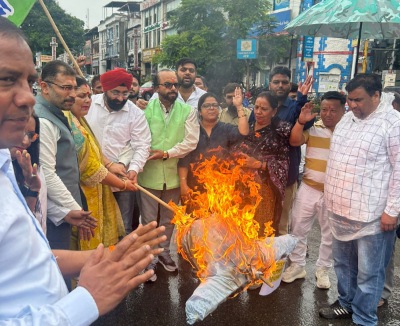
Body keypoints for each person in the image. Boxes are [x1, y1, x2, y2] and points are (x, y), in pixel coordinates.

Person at [0, 16, 166, 324]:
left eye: (27, 81)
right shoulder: (48, 120)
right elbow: (62, 169)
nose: (26, 98)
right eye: (7, 80)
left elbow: (27, 260)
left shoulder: (7, 167)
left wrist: (102, 259)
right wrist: (88, 300)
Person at [319, 74, 400, 325]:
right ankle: (345, 303)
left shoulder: (393, 123)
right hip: (340, 210)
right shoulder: (347, 121)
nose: (353, 105)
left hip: (372, 215)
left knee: (369, 272)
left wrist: (393, 210)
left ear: (376, 96)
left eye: (358, 100)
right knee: (343, 265)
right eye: (350, 100)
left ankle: (364, 317)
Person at [65, 76, 140, 250]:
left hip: (96, 190)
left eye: (89, 96)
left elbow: (94, 151)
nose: (87, 101)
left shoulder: (78, 119)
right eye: (81, 96)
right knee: (82, 243)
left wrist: (110, 165)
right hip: (80, 195)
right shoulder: (71, 124)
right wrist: (123, 185)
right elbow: (91, 170)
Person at [139, 69, 200, 280]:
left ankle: (164, 253)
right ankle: (149, 259)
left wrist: (167, 153)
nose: (172, 88)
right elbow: (138, 140)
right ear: (156, 88)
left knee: (169, 219)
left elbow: (191, 142)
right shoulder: (144, 111)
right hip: (148, 175)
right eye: (167, 85)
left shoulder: (187, 111)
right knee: (148, 221)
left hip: (175, 175)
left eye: (174, 84)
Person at [282, 91, 346, 289]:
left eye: (333, 110)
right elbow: (294, 141)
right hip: (309, 187)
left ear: (344, 110)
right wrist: (301, 122)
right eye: (324, 109)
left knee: (329, 234)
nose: (327, 114)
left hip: (335, 192)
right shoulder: (315, 128)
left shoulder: (349, 132)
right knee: (298, 228)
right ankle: (298, 265)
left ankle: (323, 270)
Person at [35, 60, 97, 251]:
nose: (72, 95)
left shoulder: (57, 112)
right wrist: (74, 209)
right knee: (58, 261)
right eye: (65, 88)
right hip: (53, 211)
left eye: (73, 88)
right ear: (44, 86)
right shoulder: (43, 120)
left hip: (63, 210)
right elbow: (47, 174)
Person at [249, 67, 314, 236]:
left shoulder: (295, 107)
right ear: (269, 84)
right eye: (276, 82)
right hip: (256, 179)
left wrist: (301, 100)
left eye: (284, 82)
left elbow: (301, 127)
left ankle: (276, 263)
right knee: (253, 224)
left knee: (279, 225)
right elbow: (248, 136)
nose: (280, 86)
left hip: (284, 179)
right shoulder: (258, 108)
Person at [86, 68, 151, 235]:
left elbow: (142, 144)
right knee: (92, 224)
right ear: (105, 88)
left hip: (122, 178)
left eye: (125, 93)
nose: (121, 98)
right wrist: (107, 164)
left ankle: (123, 259)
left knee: (123, 226)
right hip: (90, 174)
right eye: (116, 92)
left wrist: (133, 169)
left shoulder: (135, 113)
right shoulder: (88, 105)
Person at [178, 90, 249, 209]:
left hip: (222, 189)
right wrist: (183, 184)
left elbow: (244, 132)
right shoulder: (192, 130)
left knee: (219, 225)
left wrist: (239, 106)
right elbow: (184, 160)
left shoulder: (225, 129)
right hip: (195, 188)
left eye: (215, 105)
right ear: (199, 111)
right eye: (206, 106)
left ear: (219, 109)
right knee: (197, 225)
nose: (211, 108)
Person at [234, 91, 292, 236]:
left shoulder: (279, 133)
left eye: (264, 109)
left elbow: (284, 164)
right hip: (240, 188)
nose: (259, 112)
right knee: (239, 231)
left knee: (259, 233)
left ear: (274, 111)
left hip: (264, 192)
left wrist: (259, 164)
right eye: (256, 107)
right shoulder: (248, 126)